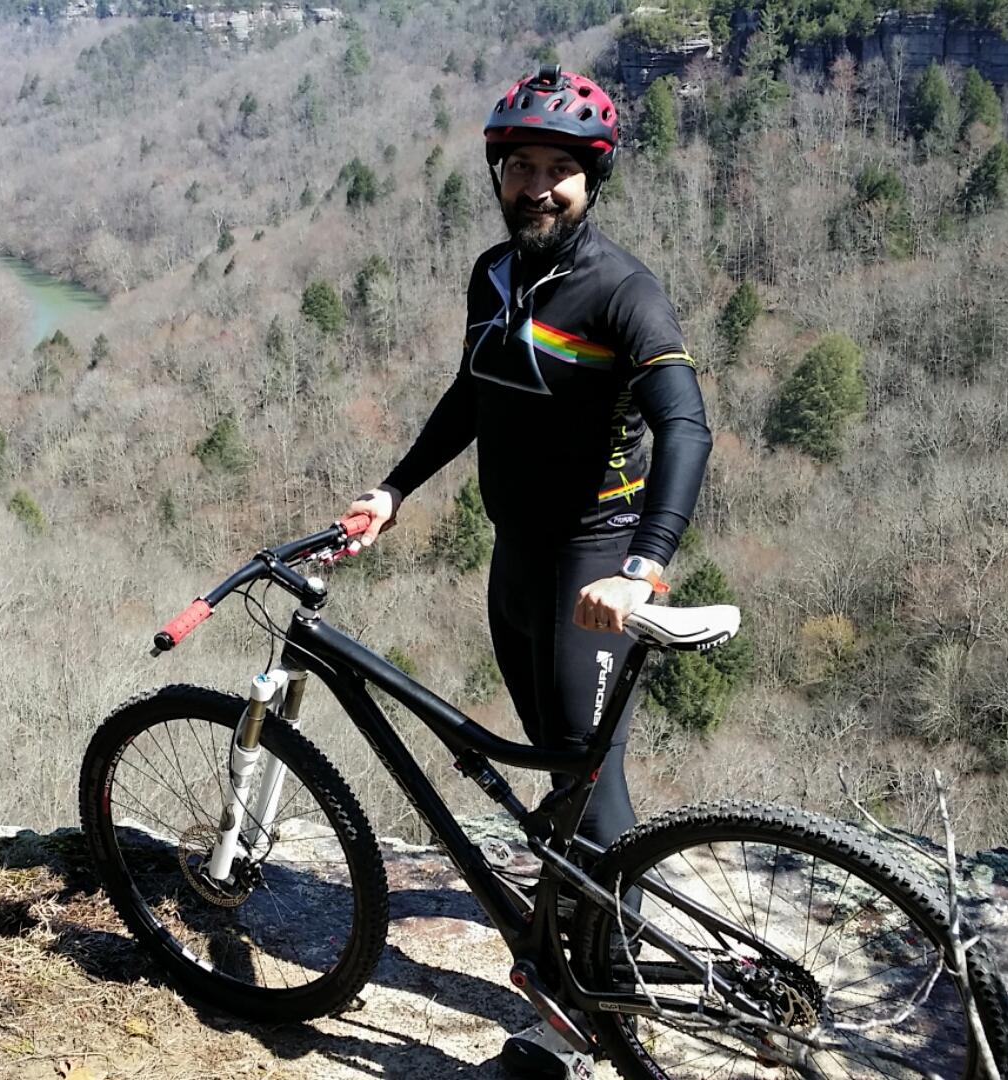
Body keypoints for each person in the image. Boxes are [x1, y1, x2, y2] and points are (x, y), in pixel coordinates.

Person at [343, 66, 713, 1079]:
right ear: (498, 173)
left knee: (590, 784)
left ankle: (590, 1005)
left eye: (560, 170)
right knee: (559, 763)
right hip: (518, 555)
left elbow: (686, 424)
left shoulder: (621, 291)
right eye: (521, 166)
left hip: (597, 558)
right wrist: (395, 489)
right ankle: (596, 947)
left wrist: (647, 562)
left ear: (592, 180)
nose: (538, 185)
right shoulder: (493, 276)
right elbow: (474, 391)